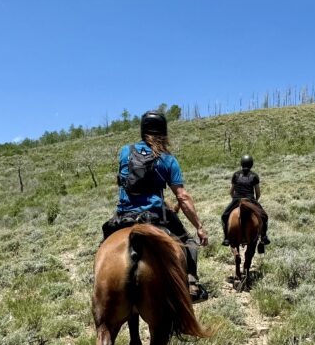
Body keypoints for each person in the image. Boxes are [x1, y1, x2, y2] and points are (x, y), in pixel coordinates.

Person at [102, 110, 210, 300]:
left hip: (124, 215)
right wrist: (199, 227)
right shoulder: (168, 159)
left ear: (143, 131)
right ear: (164, 132)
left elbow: (123, 181)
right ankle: (191, 283)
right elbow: (182, 197)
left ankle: (100, 278)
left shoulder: (126, 152)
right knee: (189, 242)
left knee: (105, 244)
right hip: (155, 215)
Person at [221, 155, 270, 252]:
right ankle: (263, 237)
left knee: (224, 216)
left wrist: (235, 199)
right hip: (250, 200)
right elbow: (258, 193)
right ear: (251, 164)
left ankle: (226, 238)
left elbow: (231, 192)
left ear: (241, 163)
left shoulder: (236, 175)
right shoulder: (254, 176)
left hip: (236, 200)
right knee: (264, 216)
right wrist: (254, 201)